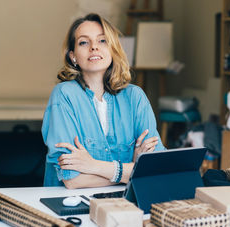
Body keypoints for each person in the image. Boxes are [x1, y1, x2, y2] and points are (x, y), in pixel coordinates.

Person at [42, 13, 165, 189]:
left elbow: (157, 168)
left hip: (125, 203)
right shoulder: (64, 95)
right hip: (69, 205)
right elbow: (72, 179)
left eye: (102, 41)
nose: (94, 48)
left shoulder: (135, 97)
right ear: (73, 56)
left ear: (113, 49)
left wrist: (93, 166)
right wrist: (134, 169)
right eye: (84, 42)